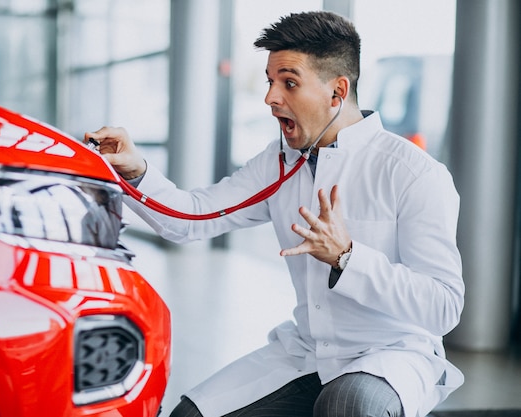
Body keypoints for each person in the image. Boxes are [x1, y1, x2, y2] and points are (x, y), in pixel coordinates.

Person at [84, 10, 464, 417]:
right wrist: (136, 170)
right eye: (270, 82)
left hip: (391, 355)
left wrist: (348, 257)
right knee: (189, 415)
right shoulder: (278, 163)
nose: (270, 98)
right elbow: (190, 219)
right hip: (305, 353)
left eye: (289, 83)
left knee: (350, 405)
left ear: (337, 92)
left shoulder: (412, 172)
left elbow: (444, 306)